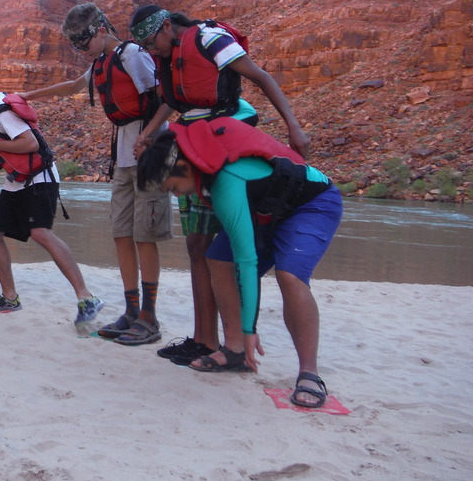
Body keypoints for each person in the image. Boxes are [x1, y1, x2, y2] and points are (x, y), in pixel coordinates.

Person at [130, 6, 309, 366]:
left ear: (166, 26)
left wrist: (293, 125)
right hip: (189, 144)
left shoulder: (210, 39)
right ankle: (203, 338)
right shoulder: (168, 54)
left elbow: (261, 77)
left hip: (219, 145)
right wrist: (149, 133)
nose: (153, 52)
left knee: (216, 249)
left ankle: (231, 342)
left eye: (153, 43)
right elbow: (171, 99)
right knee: (197, 245)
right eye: (146, 48)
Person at [136, 118, 341, 408]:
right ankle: (234, 352)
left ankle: (309, 373)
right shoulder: (206, 173)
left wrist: (250, 329)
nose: (176, 194)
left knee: (289, 275)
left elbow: (247, 261)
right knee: (218, 260)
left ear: (182, 167)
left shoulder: (227, 183)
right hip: (267, 210)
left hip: (311, 205)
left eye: (172, 187)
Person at [20, 3, 171, 345]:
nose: (82, 53)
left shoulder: (132, 55)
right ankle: (132, 310)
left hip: (150, 156)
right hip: (121, 158)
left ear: (101, 31)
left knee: (145, 235)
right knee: (121, 233)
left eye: (83, 45)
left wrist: (148, 139)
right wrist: (29, 95)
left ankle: (149, 317)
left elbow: (164, 99)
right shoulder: (102, 63)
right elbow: (74, 85)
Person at [0, 73, 105, 324]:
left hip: (40, 178)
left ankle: (87, 297)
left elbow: (30, 143)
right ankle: (10, 298)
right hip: (17, 181)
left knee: (41, 232)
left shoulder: (1, 112)